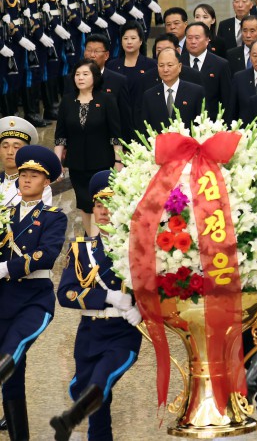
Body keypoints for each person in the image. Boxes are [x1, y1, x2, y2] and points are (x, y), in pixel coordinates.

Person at [50, 170, 143, 441]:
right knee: (98, 404)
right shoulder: (80, 249)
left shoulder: (137, 248)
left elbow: (156, 288)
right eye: (99, 204)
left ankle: (70, 419)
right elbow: (65, 293)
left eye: (111, 204)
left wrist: (143, 309)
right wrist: (106, 297)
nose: (104, 211)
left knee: (99, 382)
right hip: (89, 334)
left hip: (122, 333)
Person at [0, 145, 68, 440]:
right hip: (3, 299)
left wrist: (6, 268)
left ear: (47, 181)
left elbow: (47, 255)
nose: (26, 179)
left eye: (34, 176)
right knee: (12, 378)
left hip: (34, 300)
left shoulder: (54, 216)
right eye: (23, 174)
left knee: (7, 358)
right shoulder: (4, 213)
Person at [54, 60, 123, 233]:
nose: (80, 78)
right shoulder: (68, 101)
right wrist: (57, 163)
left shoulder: (106, 99)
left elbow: (115, 134)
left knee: (102, 204)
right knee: (85, 205)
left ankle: (103, 243)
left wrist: (118, 160)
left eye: (85, 74)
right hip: (77, 165)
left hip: (102, 163)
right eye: (77, 74)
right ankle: (90, 242)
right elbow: (60, 136)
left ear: (95, 77)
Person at [0, 117, 51, 207]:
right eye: (5, 147)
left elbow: (40, 218)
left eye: (16, 147)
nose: (10, 152)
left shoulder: (39, 185)